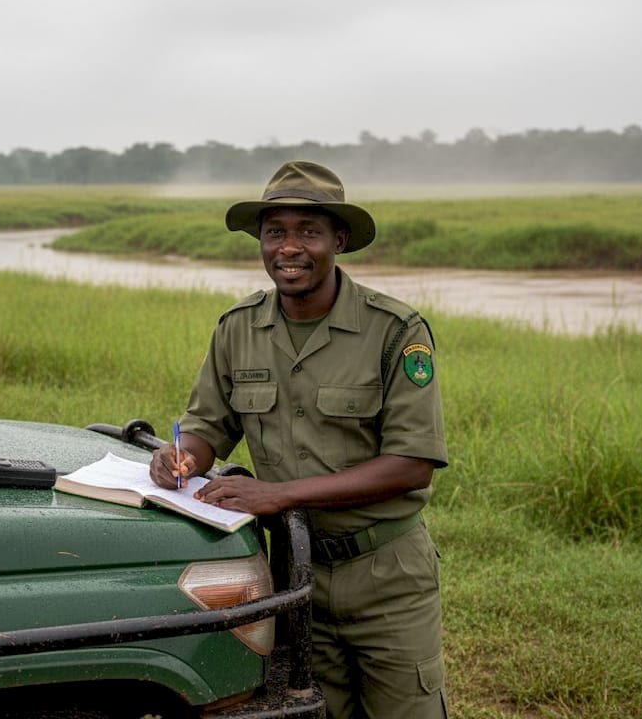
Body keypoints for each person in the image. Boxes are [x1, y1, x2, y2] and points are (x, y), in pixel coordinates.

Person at [149, 160, 449, 719]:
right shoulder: (238, 328)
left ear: (338, 239)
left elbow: (412, 464)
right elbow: (208, 427)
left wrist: (281, 495)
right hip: (291, 574)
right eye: (275, 232)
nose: (290, 248)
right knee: (309, 712)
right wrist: (181, 456)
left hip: (385, 573)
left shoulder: (395, 330)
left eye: (308, 232)